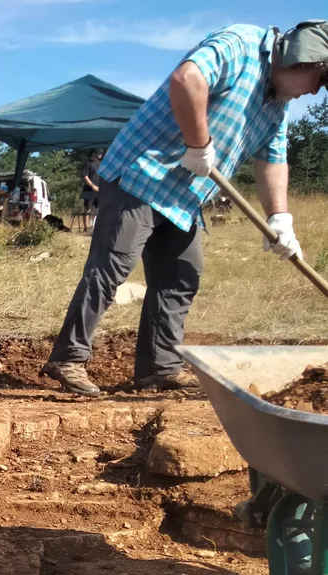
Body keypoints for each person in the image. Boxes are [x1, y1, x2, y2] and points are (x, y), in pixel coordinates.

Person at [41, 21, 328, 397]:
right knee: (111, 269)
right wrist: (198, 143)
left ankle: (158, 369)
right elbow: (187, 79)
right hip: (140, 175)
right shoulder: (241, 45)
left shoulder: (278, 105)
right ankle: (67, 358)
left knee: (180, 277)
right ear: (304, 60)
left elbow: (272, 159)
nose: (315, 92)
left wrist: (280, 218)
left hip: (183, 199)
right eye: (320, 81)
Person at [81, 149, 103, 231]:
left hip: (100, 189)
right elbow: (85, 177)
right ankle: (86, 228)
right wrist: (93, 186)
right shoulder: (88, 163)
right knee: (87, 208)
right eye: (99, 152)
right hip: (88, 190)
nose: (101, 154)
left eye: (101, 153)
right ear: (94, 153)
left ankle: (94, 226)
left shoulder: (101, 164)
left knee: (98, 209)